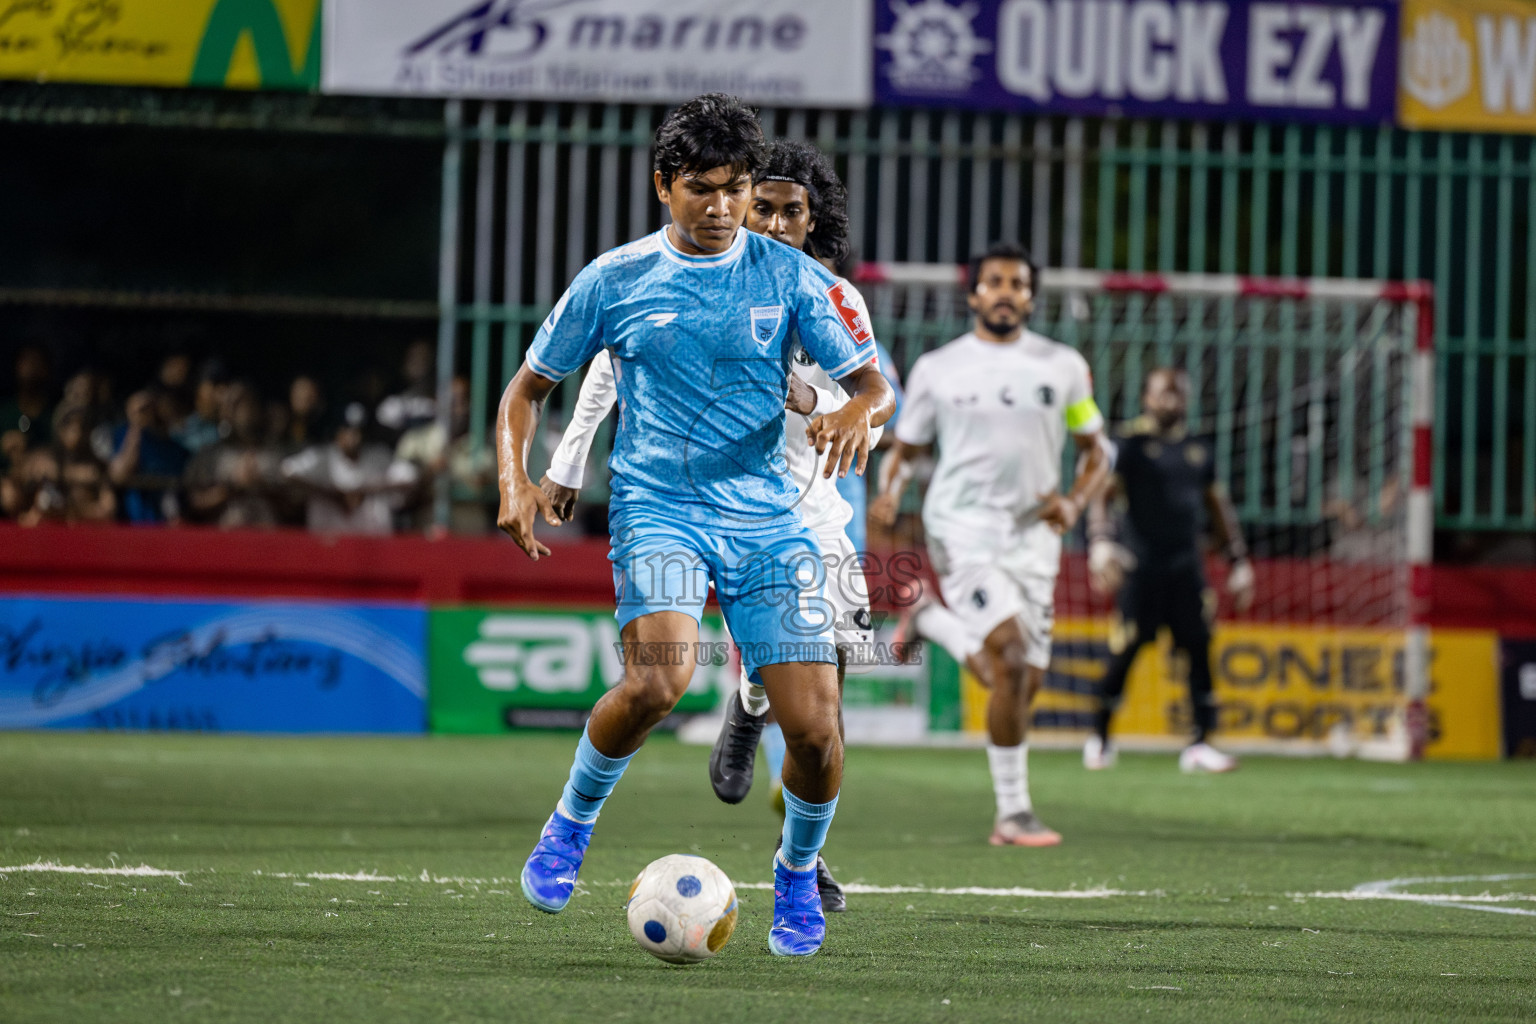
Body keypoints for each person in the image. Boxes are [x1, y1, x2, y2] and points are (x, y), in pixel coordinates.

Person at [495, 94, 892, 958]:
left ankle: (796, 872)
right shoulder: (615, 279)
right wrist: (520, 477)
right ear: (663, 185)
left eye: (738, 190)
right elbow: (529, 389)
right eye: (703, 189)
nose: (723, 208)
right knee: (657, 686)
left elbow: (869, 381)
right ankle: (569, 825)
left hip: (768, 520)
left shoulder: (792, 278)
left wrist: (859, 409)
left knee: (819, 732)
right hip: (661, 508)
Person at [872, 242, 1113, 848]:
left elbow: (1096, 450)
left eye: (1017, 283)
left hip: (1034, 537)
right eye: (994, 282)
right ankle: (1013, 812)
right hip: (962, 528)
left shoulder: (1063, 368)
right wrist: (889, 496)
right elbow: (907, 448)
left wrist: (1075, 502)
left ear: (1031, 296)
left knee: (1020, 683)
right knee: (1007, 657)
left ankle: (931, 620)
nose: (1006, 291)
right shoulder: (938, 368)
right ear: (974, 293)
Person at [1084, 367, 1255, 773]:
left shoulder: (1198, 449)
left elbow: (1218, 507)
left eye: (1179, 393)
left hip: (1186, 567)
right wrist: (1102, 542)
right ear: (1146, 397)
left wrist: (1238, 560)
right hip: (1140, 568)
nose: (1172, 400)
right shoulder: (1129, 444)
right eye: (1164, 393)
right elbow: (1100, 496)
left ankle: (1199, 743)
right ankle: (1101, 736)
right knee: (1125, 650)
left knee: (1199, 649)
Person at [280, 402, 419, 535]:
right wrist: (332, 494)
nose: (354, 437)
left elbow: (410, 477)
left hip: (373, 543)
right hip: (328, 542)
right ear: (338, 433)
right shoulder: (323, 457)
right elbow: (287, 471)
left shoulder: (378, 456)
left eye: (358, 431)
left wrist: (365, 490)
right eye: (348, 431)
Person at [108, 388, 191, 524]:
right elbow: (119, 475)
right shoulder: (122, 436)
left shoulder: (177, 447)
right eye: (139, 410)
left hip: (170, 524)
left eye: (150, 407)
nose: (146, 413)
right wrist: (135, 428)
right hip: (135, 521)